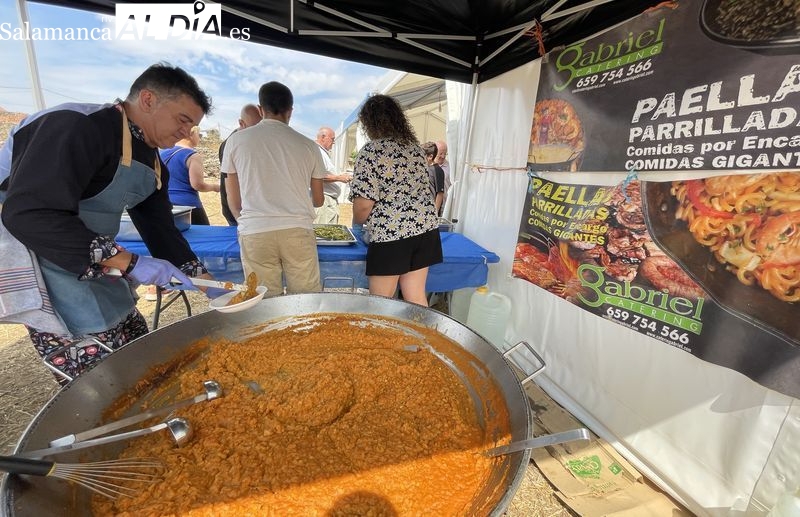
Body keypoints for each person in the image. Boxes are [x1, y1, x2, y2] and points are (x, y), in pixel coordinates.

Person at [0, 62, 226, 384]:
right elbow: (29, 212)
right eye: (183, 120)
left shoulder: (151, 157)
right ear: (148, 100)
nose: (187, 133)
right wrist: (129, 261)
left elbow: (159, 227)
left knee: (142, 359)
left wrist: (206, 280)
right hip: (44, 262)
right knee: (104, 384)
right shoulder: (75, 125)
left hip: (99, 266)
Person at [221, 81, 325, 297]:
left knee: (263, 302)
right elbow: (318, 200)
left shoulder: (236, 141)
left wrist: (244, 220)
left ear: (261, 109)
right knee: (305, 300)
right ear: (291, 111)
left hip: (255, 230)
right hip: (297, 229)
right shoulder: (309, 145)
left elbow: (233, 197)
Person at [349, 94, 443, 306]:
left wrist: (357, 221)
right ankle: (422, 339)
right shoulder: (417, 150)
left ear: (370, 123)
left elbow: (363, 205)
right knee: (416, 298)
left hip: (391, 235)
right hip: (424, 231)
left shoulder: (371, 151)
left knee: (381, 304)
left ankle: (382, 340)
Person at [160, 125, 218, 225]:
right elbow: (197, 184)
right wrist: (215, 187)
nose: (199, 137)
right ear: (191, 134)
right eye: (198, 134)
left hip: (164, 204)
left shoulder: (161, 153)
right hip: (188, 206)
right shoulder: (192, 156)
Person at [218, 103, 260, 226]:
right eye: (254, 127)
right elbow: (233, 181)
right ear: (241, 123)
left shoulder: (249, 140)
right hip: (237, 211)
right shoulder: (232, 144)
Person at [313, 126, 352, 224]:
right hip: (325, 201)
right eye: (332, 139)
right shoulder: (317, 152)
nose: (334, 142)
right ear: (323, 137)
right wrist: (339, 178)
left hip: (327, 201)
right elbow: (317, 176)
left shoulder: (321, 152)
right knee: (324, 235)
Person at [422, 141, 445, 217]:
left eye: (423, 156)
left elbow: (440, 194)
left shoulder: (438, 170)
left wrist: (434, 213)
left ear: (430, 157)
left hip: (431, 211)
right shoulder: (425, 168)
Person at [434, 139, 451, 216]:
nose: (443, 156)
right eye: (440, 153)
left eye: (445, 153)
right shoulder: (428, 166)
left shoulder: (450, 168)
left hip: (444, 206)